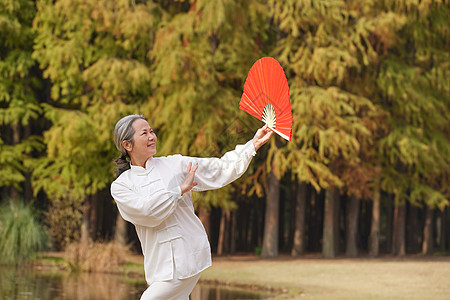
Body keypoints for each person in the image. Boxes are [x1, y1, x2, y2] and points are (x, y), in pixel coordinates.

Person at [111, 114, 273, 300]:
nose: (151, 137)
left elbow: (218, 169)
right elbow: (148, 212)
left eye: (152, 131)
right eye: (144, 133)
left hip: (187, 256)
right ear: (127, 145)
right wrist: (179, 191)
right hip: (159, 267)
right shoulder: (122, 186)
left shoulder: (174, 165)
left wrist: (252, 145)